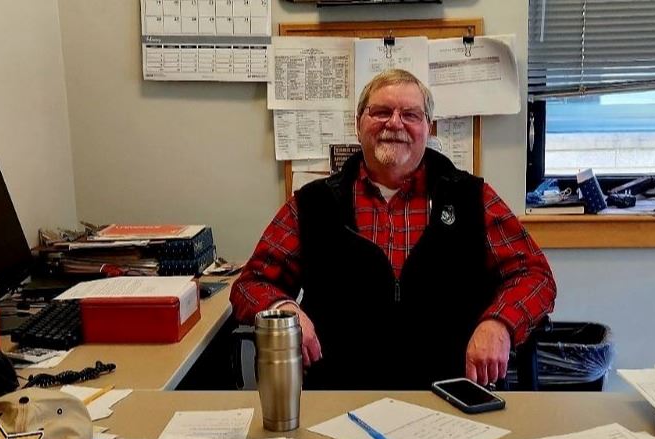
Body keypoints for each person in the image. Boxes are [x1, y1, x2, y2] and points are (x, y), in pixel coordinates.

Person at [231, 69, 556, 390]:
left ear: (428, 128)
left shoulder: (471, 198)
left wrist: (499, 322)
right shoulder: (313, 203)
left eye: (410, 114)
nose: (394, 123)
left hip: (450, 394)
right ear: (358, 124)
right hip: (340, 396)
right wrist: (284, 312)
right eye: (381, 112)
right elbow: (251, 284)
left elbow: (534, 276)